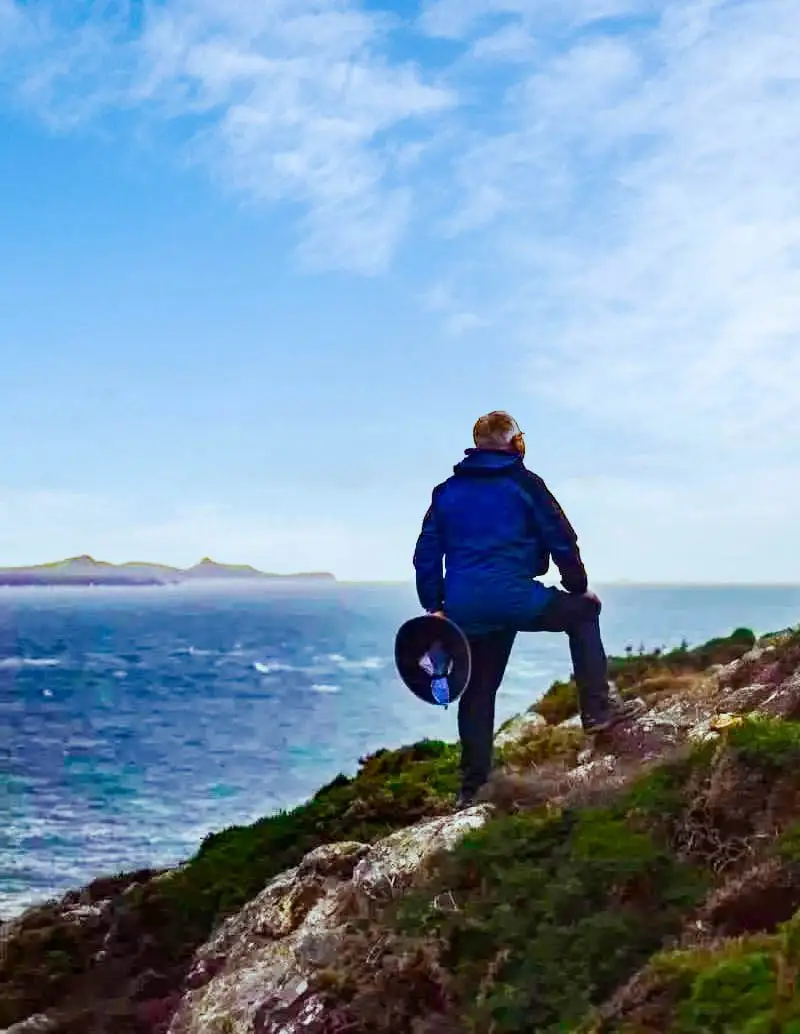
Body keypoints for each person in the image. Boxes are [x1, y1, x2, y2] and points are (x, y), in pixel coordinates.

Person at [412, 410, 643, 807]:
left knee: (479, 690)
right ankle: (598, 711)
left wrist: (434, 606)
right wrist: (578, 587)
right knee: (584, 613)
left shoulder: (445, 492)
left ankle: (472, 790)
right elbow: (561, 537)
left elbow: (425, 555)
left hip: (464, 607)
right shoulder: (525, 483)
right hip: (517, 598)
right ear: (514, 443)